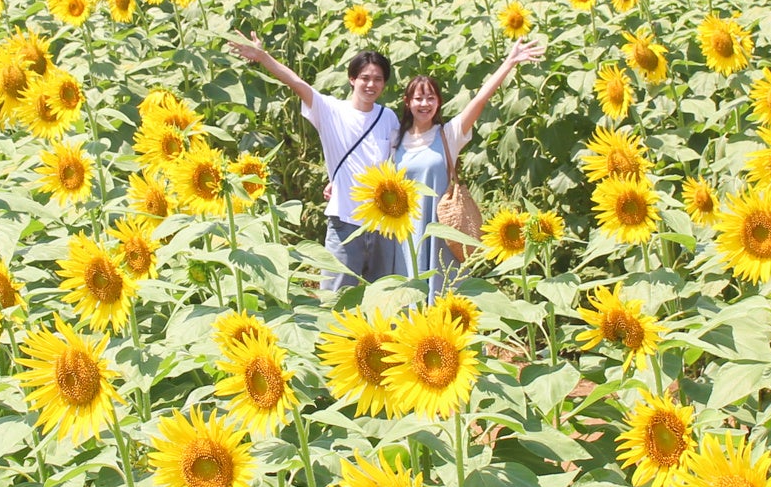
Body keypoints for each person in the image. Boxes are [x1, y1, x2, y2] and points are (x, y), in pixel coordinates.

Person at [227, 34, 402, 289]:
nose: (370, 84)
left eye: (377, 79)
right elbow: (296, 83)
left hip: (383, 224)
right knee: (336, 295)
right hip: (345, 219)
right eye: (365, 78)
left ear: (384, 84)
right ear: (352, 79)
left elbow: (395, 163)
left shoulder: (388, 117)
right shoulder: (331, 110)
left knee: (383, 295)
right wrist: (263, 57)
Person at [393, 39, 546, 297]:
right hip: (404, 233)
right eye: (418, 98)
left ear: (439, 102)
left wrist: (509, 63)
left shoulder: (448, 135)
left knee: (443, 293)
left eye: (431, 98)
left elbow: (480, 99)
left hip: (441, 228)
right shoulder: (395, 139)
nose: (424, 104)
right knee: (407, 293)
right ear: (407, 102)